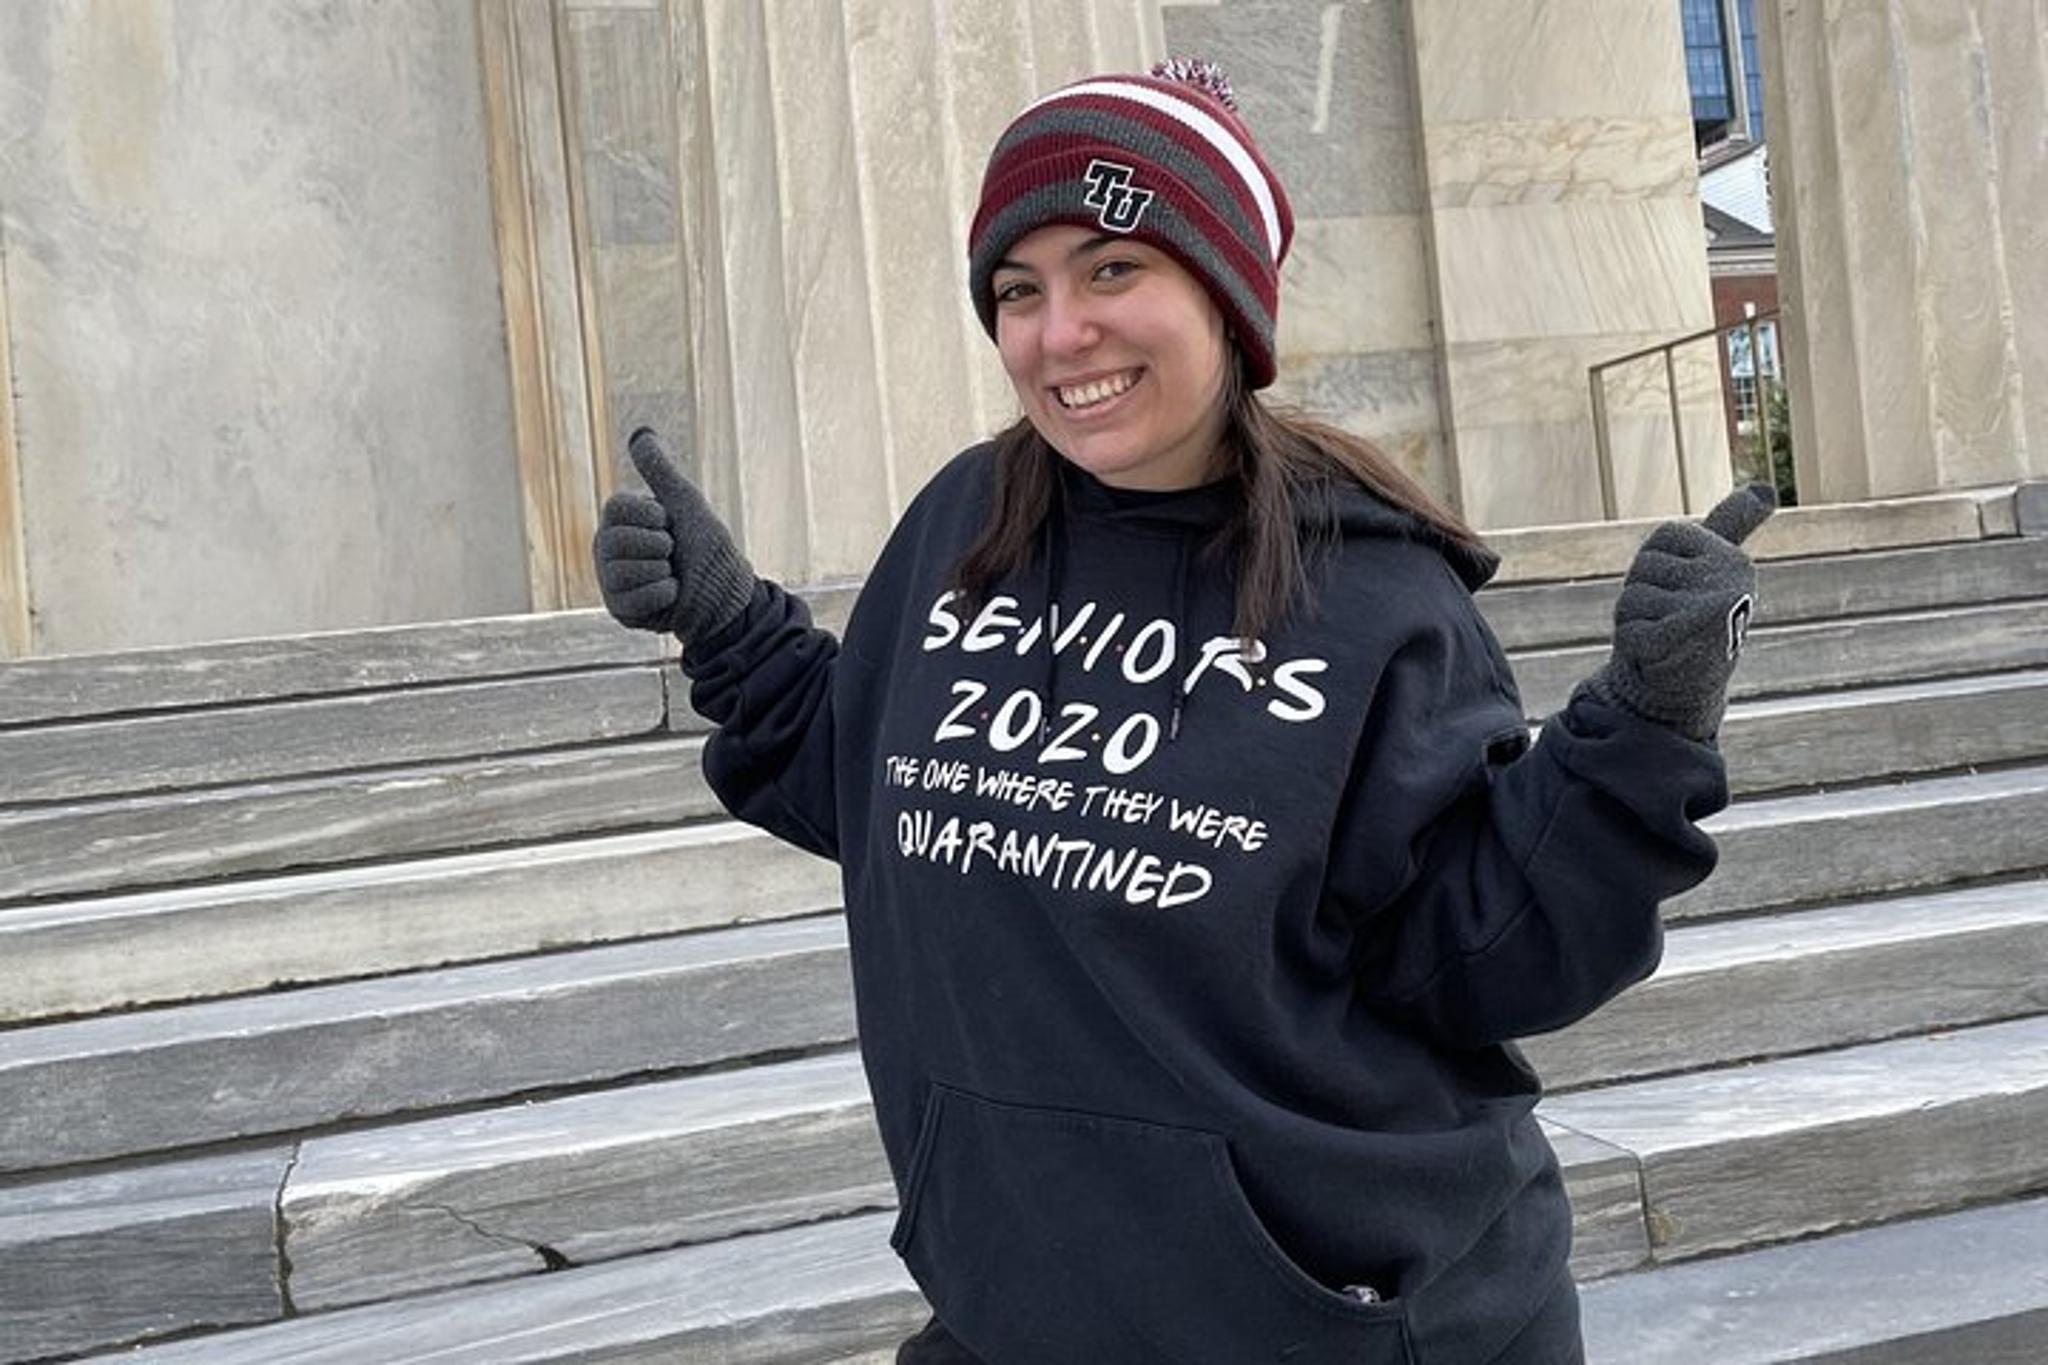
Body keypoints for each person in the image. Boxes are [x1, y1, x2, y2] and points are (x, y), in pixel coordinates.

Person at [595, 58, 1770, 1365]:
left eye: (1112, 270)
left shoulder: (1366, 589)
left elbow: (1484, 951)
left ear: (1224, 296)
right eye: (1019, 289)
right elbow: (873, 783)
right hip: (1021, 1309)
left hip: (1338, 1322)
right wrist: (729, 623)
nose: (1060, 331)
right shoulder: (961, 530)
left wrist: (1646, 727)